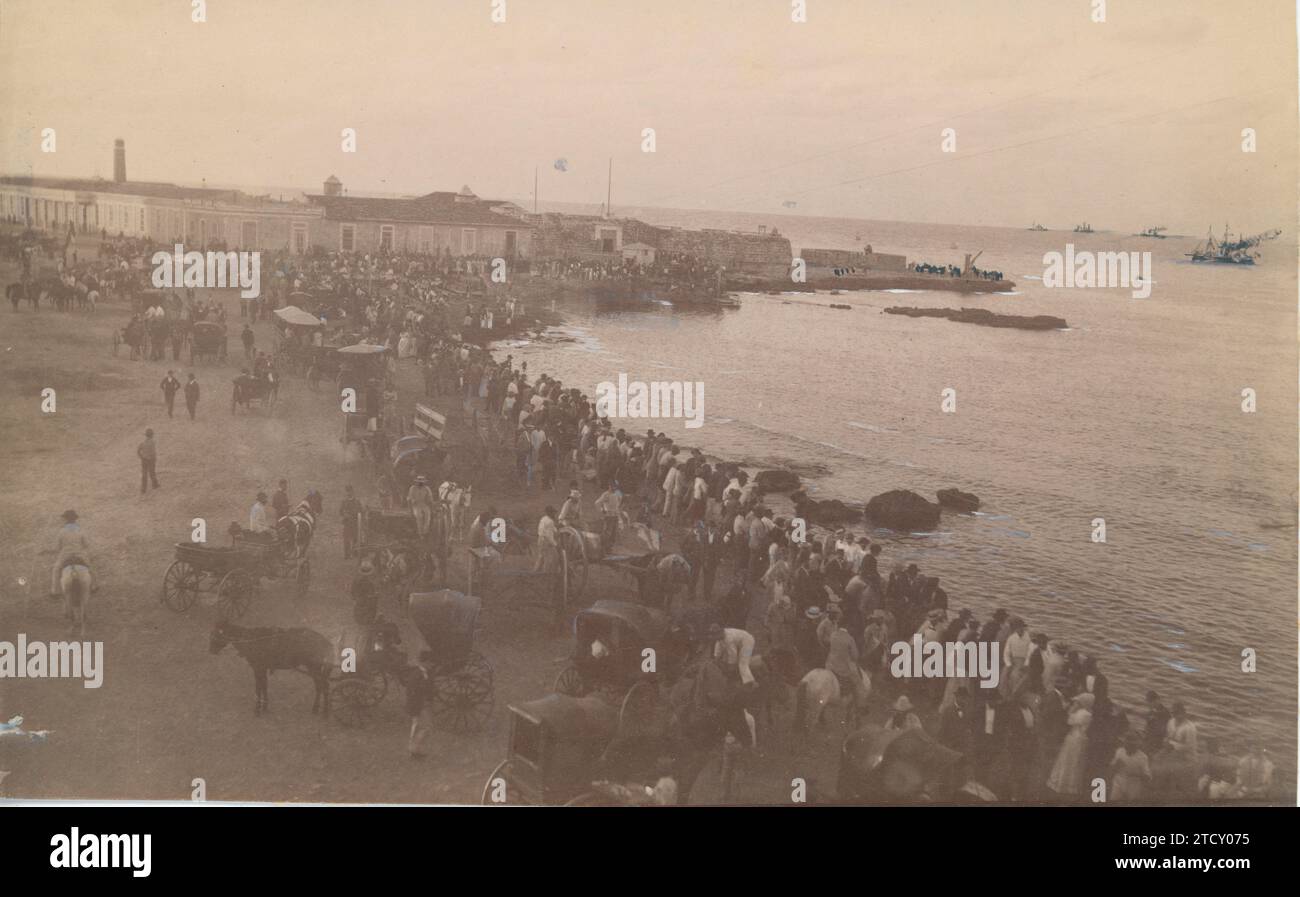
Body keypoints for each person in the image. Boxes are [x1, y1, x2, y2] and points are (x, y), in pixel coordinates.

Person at [1047, 692, 1094, 797]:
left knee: (1069, 761)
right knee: (1071, 761)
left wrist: (1071, 709)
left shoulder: (1084, 714)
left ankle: (1064, 785)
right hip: (1076, 739)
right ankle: (1067, 785)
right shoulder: (1087, 713)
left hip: (1075, 739)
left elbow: (1069, 721)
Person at [49, 509, 90, 598]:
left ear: (66, 519)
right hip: (80, 554)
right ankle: (95, 585)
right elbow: (86, 544)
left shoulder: (61, 531)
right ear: (75, 519)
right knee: (90, 567)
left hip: (65, 555)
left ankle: (55, 591)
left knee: (56, 570)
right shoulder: (80, 530)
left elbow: (57, 547)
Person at [405, 650, 434, 760]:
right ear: (425, 662)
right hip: (418, 705)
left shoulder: (425, 673)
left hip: (423, 704)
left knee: (424, 727)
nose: (432, 665)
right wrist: (415, 708)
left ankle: (416, 749)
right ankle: (414, 750)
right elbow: (412, 693)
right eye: (430, 663)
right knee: (422, 726)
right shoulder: (416, 674)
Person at [1109, 731, 1152, 801]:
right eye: (1127, 742)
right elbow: (1111, 769)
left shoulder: (1143, 757)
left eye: (1133, 743)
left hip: (1133, 784)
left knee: (1131, 802)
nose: (1129, 745)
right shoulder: (1119, 751)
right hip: (1119, 781)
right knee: (1114, 801)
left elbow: (1147, 777)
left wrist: (1136, 773)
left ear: (1138, 744)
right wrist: (1115, 765)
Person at [593, 482, 622, 555]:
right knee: (607, 533)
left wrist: (618, 515)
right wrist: (602, 510)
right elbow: (597, 503)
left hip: (615, 516)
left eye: (615, 487)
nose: (613, 488)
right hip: (609, 516)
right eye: (612, 486)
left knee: (614, 533)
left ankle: (609, 549)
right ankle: (603, 549)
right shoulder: (606, 494)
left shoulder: (617, 494)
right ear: (609, 486)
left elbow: (618, 505)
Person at [340, 485, 362, 559]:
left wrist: (355, 514)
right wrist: (344, 514)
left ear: (353, 492)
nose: (349, 493)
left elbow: (360, 511)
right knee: (346, 539)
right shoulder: (344, 502)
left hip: (355, 523)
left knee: (355, 538)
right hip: (347, 523)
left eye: (350, 491)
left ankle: (355, 553)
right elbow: (340, 511)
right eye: (347, 492)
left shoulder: (357, 502)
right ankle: (347, 555)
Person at [137, 428, 159, 494]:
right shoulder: (152, 442)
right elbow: (153, 452)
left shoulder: (142, 442)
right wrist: (154, 458)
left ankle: (143, 489)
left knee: (144, 474)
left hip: (144, 460)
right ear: (152, 435)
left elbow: (138, 451)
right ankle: (155, 485)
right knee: (152, 472)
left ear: (146, 435)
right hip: (151, 459)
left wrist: (141, 457)